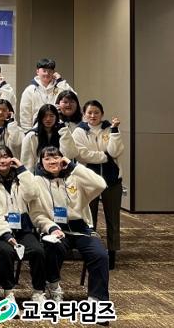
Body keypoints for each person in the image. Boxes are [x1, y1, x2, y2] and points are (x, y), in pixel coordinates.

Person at [31, 146, 110, 306]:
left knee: (100, 254)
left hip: (80, 228)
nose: (52, 161)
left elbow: (101, 184)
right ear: (41, 162)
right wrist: (51, 228)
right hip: (54, 228)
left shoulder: (75, 177)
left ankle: (96, 298)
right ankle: (54, 286)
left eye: (56, 157)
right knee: (52, 247)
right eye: (47, 158)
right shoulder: (37, 182)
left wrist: (74, 167)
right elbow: (37, 214)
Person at [0, 145, 47, 305]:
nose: (2, 160)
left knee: (38, 251)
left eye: (6, 156)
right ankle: (8, 293)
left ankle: (38, 292)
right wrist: (7, 235)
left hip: (21, 229)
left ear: (12, 159)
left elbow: (33, 194)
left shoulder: (20, 178)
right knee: (6, 251)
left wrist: (22, 169)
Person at [72, 100, 124, 269]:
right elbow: (82, 155)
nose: (93, 116)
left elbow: (115, 151)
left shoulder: (110, 129)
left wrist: (114, 131)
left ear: (102, 114)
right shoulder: (79, 131)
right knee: (89, 218)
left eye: (96, 112)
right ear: (84, 114)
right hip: (88, 181)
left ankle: (112, 253)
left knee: (113, 219)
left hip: (112, 179)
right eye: (89, 113)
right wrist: (104, 155)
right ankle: (91, 252)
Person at [19, 58, 74, 131]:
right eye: (44, 71)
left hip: (59, 129)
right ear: (37, 71)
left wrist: (60, 81)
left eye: (50, 71)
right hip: (37, 130)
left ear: (54, 72)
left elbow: (73, 98)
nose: (47, 74)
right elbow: (25, 115)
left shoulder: (60, 87)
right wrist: (27, 132)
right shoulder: (29, 90)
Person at [21, 104, 78, 172]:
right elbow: (27, 163)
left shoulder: (63, 132)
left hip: (61, 172)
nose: (48, 119)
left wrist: (64, 133)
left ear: (56, 118)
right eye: (45, 116)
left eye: (51, 116)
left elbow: (70, 154)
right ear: (40, 118)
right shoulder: (31, 136)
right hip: (39, 173)